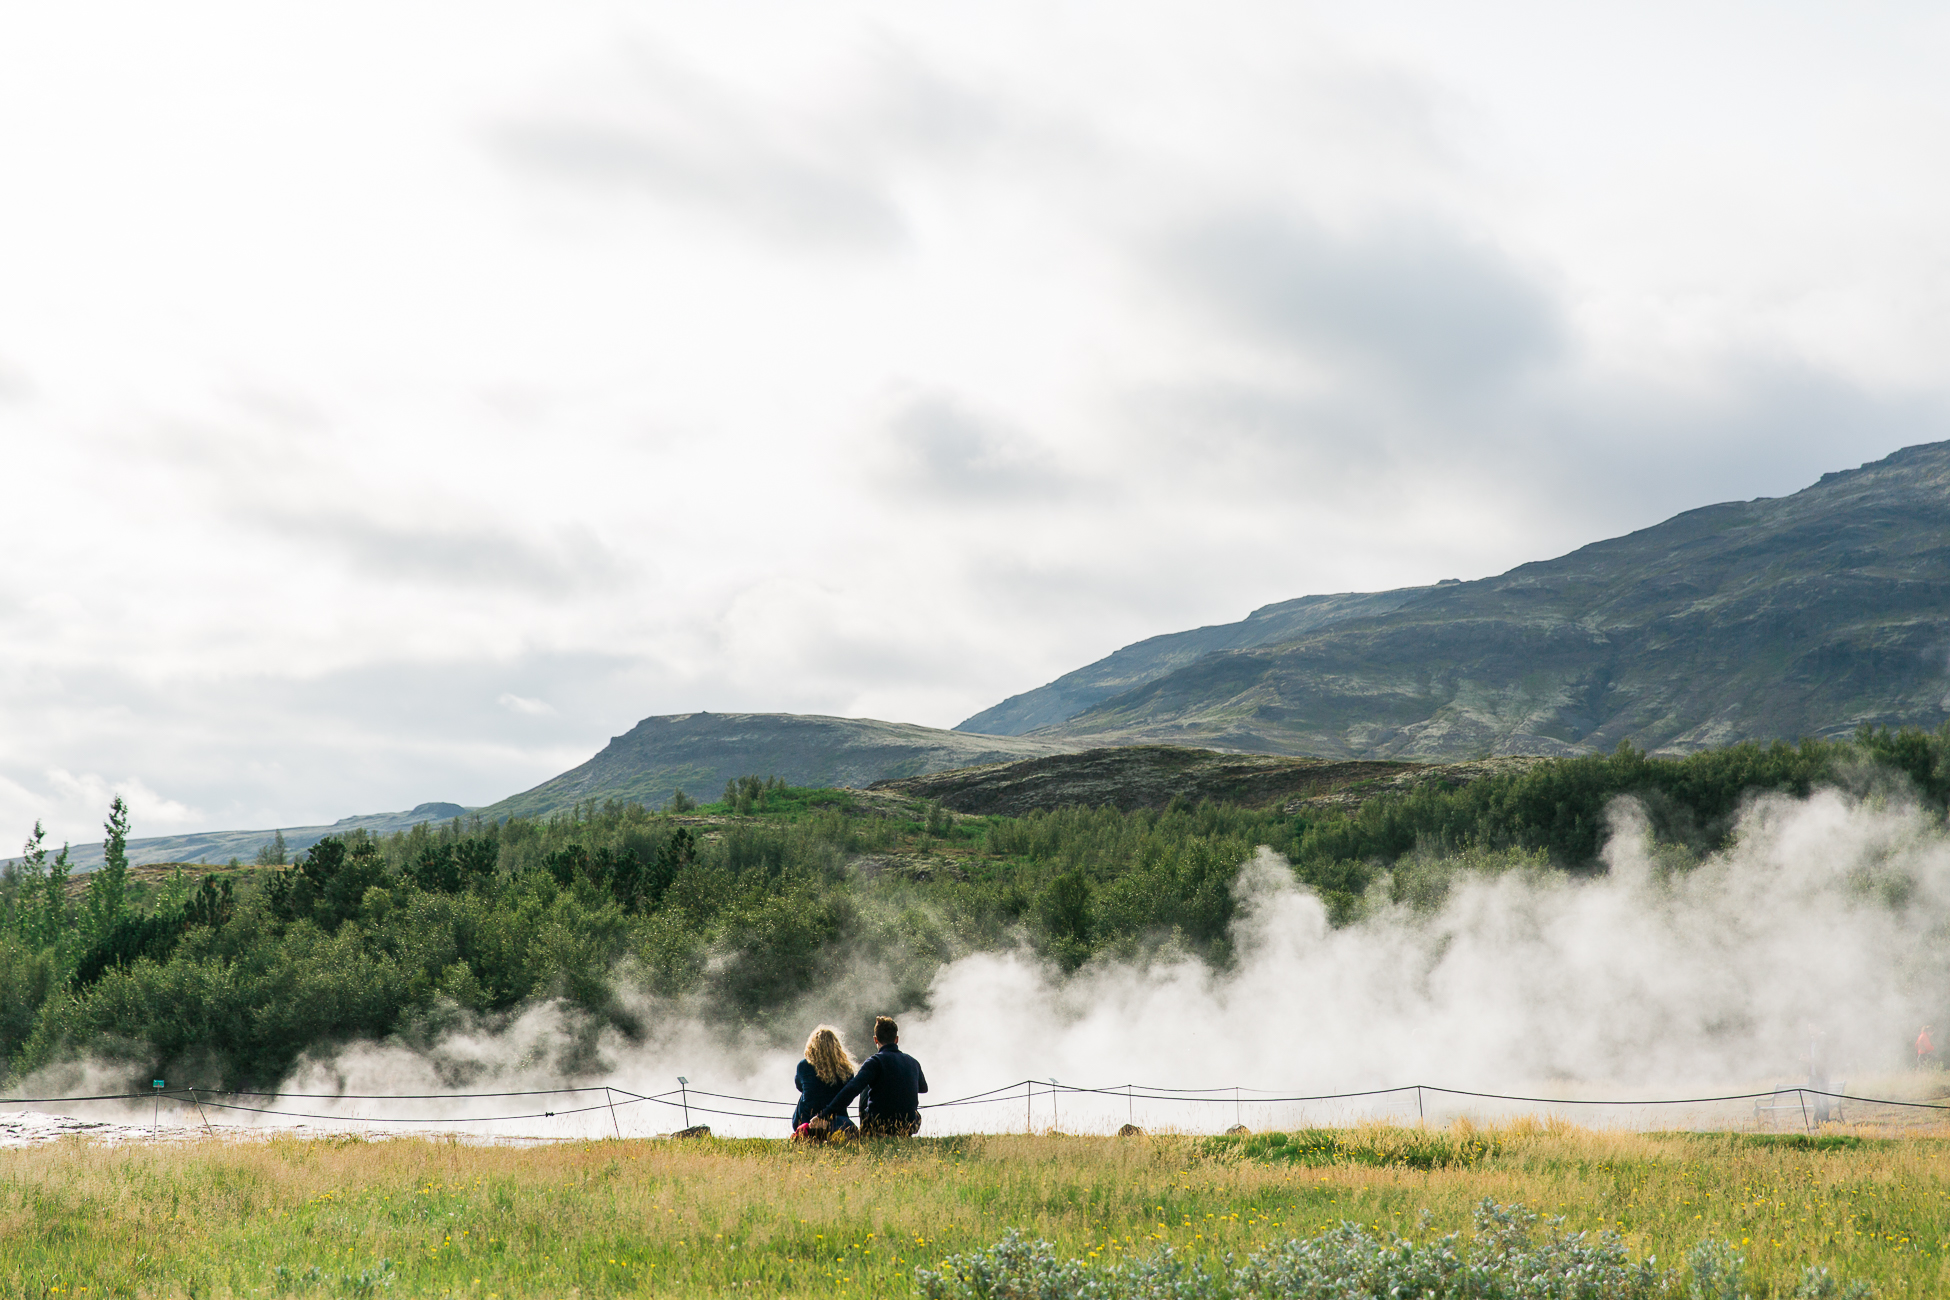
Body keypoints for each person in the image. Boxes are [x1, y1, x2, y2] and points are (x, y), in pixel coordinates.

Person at [810, 1015, 927, 1137]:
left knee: (865, 1086)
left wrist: (824, 1115)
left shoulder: (875, 1062)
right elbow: (924, 1088)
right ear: (896, 1039)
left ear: (875, 1039)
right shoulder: (913, 1062)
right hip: (909, 1125)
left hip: (878, 1124)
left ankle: (866, 1131)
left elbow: (851, 1090)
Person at [792, 1024, 859, 1140]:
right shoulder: (846, 1069)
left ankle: (805, 1131)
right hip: (837, 1119)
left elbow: (799, 1086)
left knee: (804, 1096)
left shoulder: (804, 1066)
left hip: (806, 1119)